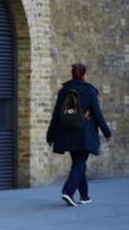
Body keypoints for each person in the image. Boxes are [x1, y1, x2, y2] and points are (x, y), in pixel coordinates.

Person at [46, 63, 112, 207]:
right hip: (85, 133)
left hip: (67, 132)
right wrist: (107, 132)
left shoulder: (64, 90)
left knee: (78, 163)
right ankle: (68, 192)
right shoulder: (90, 91)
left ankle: (85, 195)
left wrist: (50, 136)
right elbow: (98, 115)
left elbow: (56, 115)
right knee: (80, 163)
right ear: (84, 75)